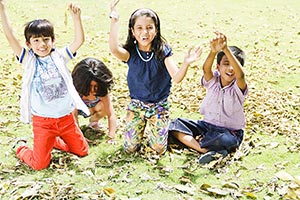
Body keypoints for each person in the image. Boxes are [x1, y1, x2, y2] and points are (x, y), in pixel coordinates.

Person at [0, 0, 89, 170]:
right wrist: (2, 9)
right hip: (43, 122)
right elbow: (10, 36)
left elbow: (79, 40)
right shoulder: (29, 60)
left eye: (46, 39)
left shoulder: (60, 56)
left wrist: (76, 18)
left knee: (82, 151)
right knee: (39, 165)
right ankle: (21, 147)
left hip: (66, 120)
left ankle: (54, 141)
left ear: (53, 40)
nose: (42, 44)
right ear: (29, 44)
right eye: (36, 41)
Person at [109, 0, 203, 154]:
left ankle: (165, 129)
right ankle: (144, 132)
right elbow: (113, 48)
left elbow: (177, 78)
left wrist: (186, 63)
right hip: (136, 106)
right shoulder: (131, 53)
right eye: (139, 28)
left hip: (159, 107)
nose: (144, 32)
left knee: (158, 150)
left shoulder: (162, 51)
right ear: (132, 31)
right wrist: (114, 20)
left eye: (149, 28)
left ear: (156, 30)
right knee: (130, 149)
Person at [168, 32, 248, 164]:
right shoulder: (213, 81)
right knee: (175, 125)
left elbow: (241, 76)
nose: (230, 68)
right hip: (207, 126)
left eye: (234, 65)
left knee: (225, 140)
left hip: (230, 132)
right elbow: (206, 69)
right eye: (226, 63)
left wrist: (225, 49)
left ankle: (209, 146)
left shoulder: (238, 87)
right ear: (218, 67)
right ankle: (204, 150)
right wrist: (213, 52)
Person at [72, 57, 117, 144]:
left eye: (96, 86)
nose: (93, 90)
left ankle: (94, 121)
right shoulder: (76, 92)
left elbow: (111, 114)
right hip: (78, 109)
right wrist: (80, 138)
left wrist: (111, 136)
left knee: (103, 106)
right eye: (89, 86)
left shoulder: (102, 91)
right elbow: (74, 117)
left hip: (94, 108)